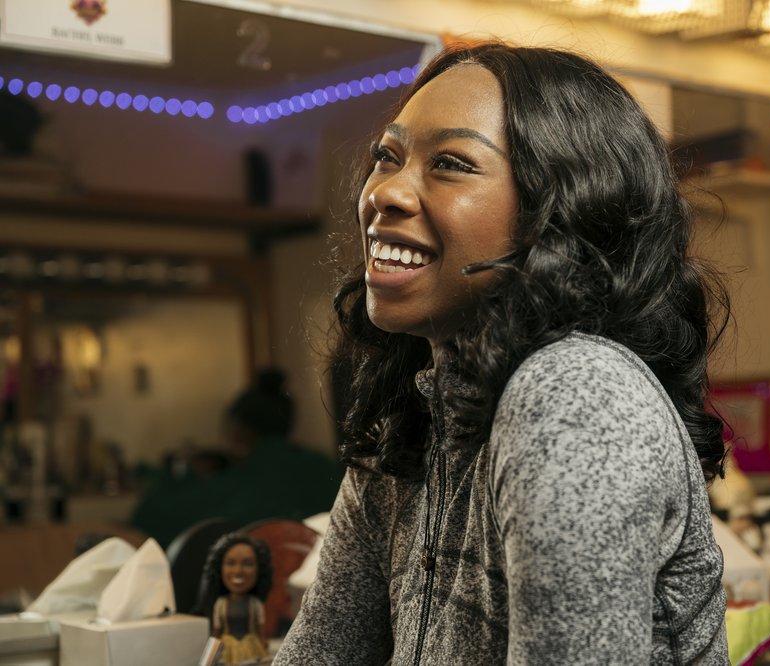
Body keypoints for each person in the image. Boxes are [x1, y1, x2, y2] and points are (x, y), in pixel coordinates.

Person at [276, 42, 730, 664]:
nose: (386, 193)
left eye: (452, 164)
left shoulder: (577, 393)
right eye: (389, 156)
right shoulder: (413, 419)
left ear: (559, 212)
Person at [130, 368, 345, 548]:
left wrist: (182, 476)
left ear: (241, 431)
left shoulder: (249, 476)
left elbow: (153, 515)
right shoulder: (321, 464)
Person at [194, 532, 273, 664]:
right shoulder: (221, 604)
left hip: (251, 646)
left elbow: (260, 630)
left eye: (248, 564)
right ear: (219, 568)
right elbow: (217, 631)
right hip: (227, 647)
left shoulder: (255, 604)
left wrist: (263, 643)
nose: (238, 571)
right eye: (230, 563)